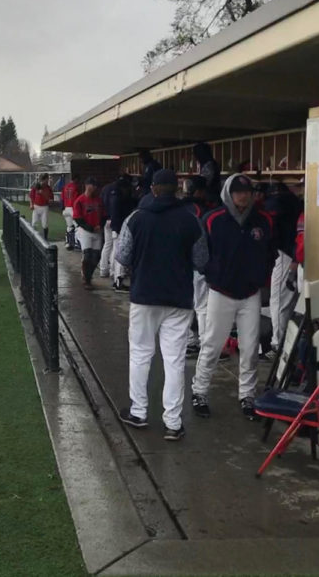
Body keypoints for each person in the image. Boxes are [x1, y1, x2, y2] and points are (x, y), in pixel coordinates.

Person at [115, 169, 208, 440]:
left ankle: (139, 412)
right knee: (174, 360)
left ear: (153, 189)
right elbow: (201, 261)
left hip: (144, 296)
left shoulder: (136, 218)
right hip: (178, 298)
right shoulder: (191, 220)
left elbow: (121, 256)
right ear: (176, 189)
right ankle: (173, 423)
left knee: (141, 354)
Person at [191, 174, 276, 420]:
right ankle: (199, 392)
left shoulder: (263, 221)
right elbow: (200, 251)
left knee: (250, 348)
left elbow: (271, 251)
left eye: (247, 191)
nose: (243, 196)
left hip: (250, 293)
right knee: (212, 345)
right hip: (221, 292)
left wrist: (261, 275)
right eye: (238, 191)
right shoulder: (213, 219)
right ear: (228, 193)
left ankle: (247, 396)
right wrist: (211, 272)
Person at [264, 182, 305, 359]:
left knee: (279, 302)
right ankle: (285, 345)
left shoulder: (276, 201)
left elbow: (272, 229)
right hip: (295, 255)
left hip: (288, 255)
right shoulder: (296, 202)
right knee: (290, 303)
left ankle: (279, 346)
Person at [182, 176, 209, 357]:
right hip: (195, 265)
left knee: (186, 305)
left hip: (178, 265)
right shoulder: (200, 209)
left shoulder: (176, 208)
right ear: (198, 191)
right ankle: (205, 345)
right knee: (202, 306)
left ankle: (190, 341)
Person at [72, 178, 105, 289]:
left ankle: (88, 276)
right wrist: (90, 228)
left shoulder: (99, 200)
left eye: (95, 186)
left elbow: (104, 215)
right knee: (87, 255)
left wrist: (100, 225)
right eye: (92, 186)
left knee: (96, 256)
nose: (94, 188)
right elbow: (77, 218)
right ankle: (86, 280)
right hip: (85, 231)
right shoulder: (80, 200)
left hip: (97, 231)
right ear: (87, 186)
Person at [107, 174, 137, 291]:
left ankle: (115, 277)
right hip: (119, 228)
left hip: (116, 227)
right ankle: (118, 280)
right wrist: (118, 229)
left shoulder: (116, 194)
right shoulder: (118, 197)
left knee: (115, 252)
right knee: (120, 253)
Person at [98, 178, 117, 281]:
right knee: (115, 245)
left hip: (106, 220)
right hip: (114, 220)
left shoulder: (105, 189)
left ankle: (103, 269)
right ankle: (113, 271)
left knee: (107, 244)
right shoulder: (118, 189)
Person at [29, 173, 54, 240]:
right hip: (36, 206)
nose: (44, 181)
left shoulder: (48, 188)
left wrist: (43, 194)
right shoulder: (36, 186)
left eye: (46, 179)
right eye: (43, 180)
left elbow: (51, 200)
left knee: (45, 224)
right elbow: (31, 196)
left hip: (44, 207)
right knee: (34, 223)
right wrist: (31, 204)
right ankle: (33, 237)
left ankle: (45, 238)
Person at [62, 173, 81, 251]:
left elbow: (62, 199)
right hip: (73, 208)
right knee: (77, 226)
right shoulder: (76, 187)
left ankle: (68, 243)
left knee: (69, 226)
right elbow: (77, 200)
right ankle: (76, 243)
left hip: (66, 208)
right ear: (76, 179)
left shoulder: (65, 187)